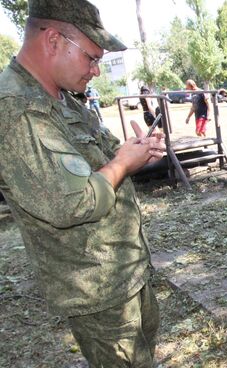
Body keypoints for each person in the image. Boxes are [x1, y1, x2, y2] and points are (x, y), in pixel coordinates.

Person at [0, 0, 167, 366]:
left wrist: (135, 156)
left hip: (123, 267)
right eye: (91, 58)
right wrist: (123, 162)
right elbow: (73, 201)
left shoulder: (62, 98)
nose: (95, 71)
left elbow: (106, 162)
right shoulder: (17, 109)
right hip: (97, 287)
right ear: (54, 40)